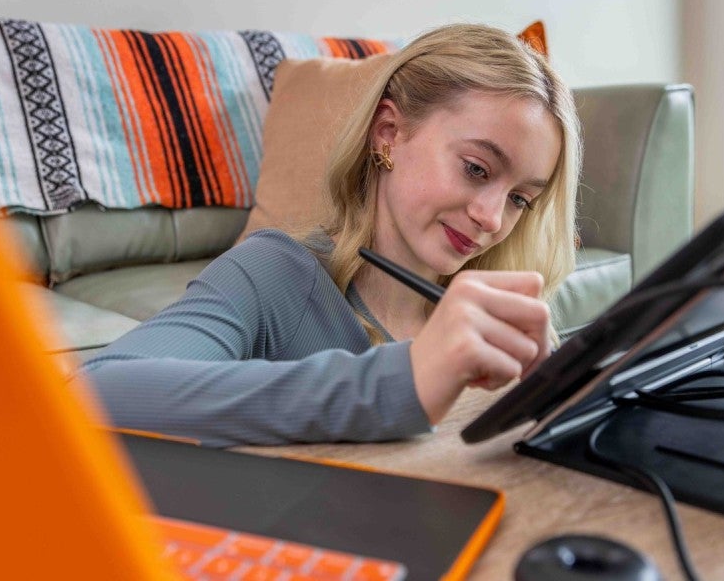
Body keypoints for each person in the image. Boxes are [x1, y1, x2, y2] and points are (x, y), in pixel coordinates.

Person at [75, 23, 581, 448]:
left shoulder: (493, 323)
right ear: (389, 133)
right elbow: (94, 394)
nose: (492, 218)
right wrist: (399, 381)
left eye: (520, 199)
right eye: (475, 168)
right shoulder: (276, 273)